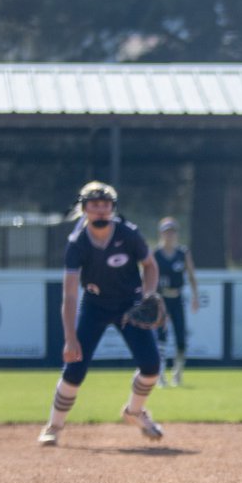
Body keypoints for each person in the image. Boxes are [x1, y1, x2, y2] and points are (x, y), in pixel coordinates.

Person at [37, 181, 165, 446]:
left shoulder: (128, 234)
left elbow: (150, 266)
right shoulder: (77, 244)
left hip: (130, 306)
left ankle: (134, 411)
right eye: (94, 206)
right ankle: (54, 426)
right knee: (74, 369)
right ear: (84, 209)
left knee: (151, 366)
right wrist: (70, 337)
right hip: (95, 305)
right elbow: (70, 294)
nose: (101, 211)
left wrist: (149, 295)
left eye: (106, 206)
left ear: (113, 209)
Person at [153, 217, 200, 387]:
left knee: (181, 337)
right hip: (161, 300)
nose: (169, 235)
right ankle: (160, 375)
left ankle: (177, 373)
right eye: (166, 232)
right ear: (161, 234)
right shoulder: (156, 254)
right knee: (161, 337)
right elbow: (148, 276)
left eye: (172, 232)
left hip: (177, 298)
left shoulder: (182, 253)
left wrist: (195, 296)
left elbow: (192, 276)